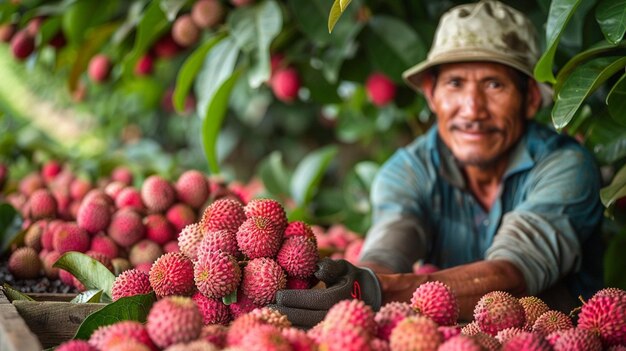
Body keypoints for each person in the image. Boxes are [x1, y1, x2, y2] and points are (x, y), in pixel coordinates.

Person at [271, 0, 604, 328]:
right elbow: (385, 254)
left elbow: (513, 274)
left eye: (494, 84)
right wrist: (352, 284)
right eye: (455, 83)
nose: (472, 109)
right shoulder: (407, 171)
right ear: (431, 95)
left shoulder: (565, 166)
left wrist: (373, 290)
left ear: (530, 98)